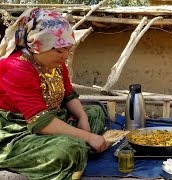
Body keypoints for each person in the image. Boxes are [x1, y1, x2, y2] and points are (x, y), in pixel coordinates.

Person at [0, 8, 112, 179]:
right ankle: (79, 149)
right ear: (37, 46)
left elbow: (69, 95)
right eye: (60, 51)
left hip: (52, 118)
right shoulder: (16, 67)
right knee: (67, 149)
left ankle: (81, 146)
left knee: (94, 113)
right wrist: (88, 136)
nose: (65, 56)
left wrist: (82, 119)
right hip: (18, 130)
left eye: (68, 49)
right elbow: (39, 122)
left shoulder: (55, 65)